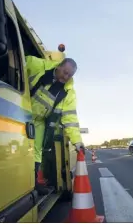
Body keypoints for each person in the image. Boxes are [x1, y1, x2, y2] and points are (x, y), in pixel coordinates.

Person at [26, 55, 85, 195]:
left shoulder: (68, 92)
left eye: (70, 75)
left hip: (39, 121)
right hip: (21, 111)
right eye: (65, 72)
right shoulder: (36, 64)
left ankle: (33, 184)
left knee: (36, 152)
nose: (66, 77)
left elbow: (70, 118)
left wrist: (77, 141)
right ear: (58, 66)